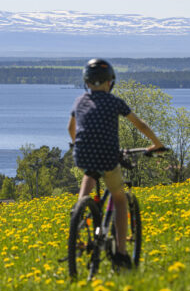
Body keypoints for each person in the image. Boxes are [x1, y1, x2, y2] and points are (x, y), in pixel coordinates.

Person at [68, 58, 164, 269]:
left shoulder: (80, 102)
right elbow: (140, 124)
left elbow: (70, 128)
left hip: (83, 154)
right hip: (108, 157)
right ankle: (121, 254)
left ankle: (79, 211)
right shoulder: (114, 102)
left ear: (86, 82)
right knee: (120, 199)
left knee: (89, 173)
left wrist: (78, 144)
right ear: (110, 82)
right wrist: (156, 144)